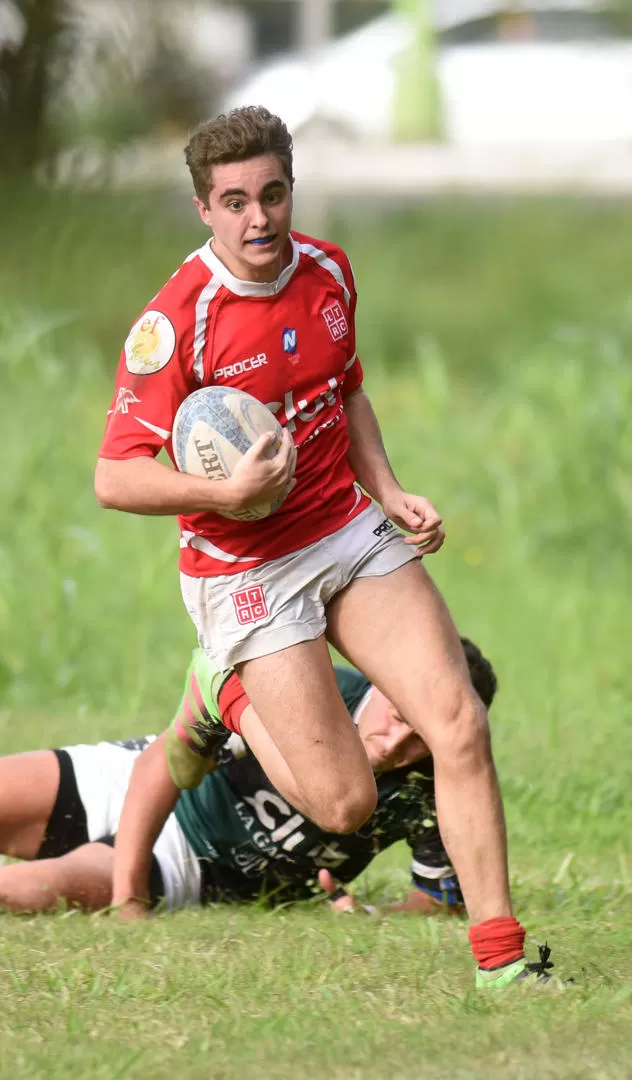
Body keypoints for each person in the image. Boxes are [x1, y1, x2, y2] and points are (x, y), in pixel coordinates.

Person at [94, 105, 550, 988]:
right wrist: (223, 493)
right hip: (245, 568)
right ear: (204, 209)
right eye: (234, 202)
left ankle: (499, 960)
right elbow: (116, 476)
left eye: (272, 194)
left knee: (456, 717)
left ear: (291, 188)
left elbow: (345, 392)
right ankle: (224, 685)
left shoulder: (330, 272)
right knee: (346, 803)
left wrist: (390, 490)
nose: (258, 218)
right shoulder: (174, 323)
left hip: (341, 526)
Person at [0, 640, 497, 918]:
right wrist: (129, 905)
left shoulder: (436, 788)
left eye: (421, 738)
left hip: (190, 861)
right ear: (387, 682)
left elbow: (439, 900)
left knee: (19, 891)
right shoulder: (317, 692)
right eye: (397, 714)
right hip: (138, 779)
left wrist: (370, 914)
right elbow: (160, 765)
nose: (394, 743)